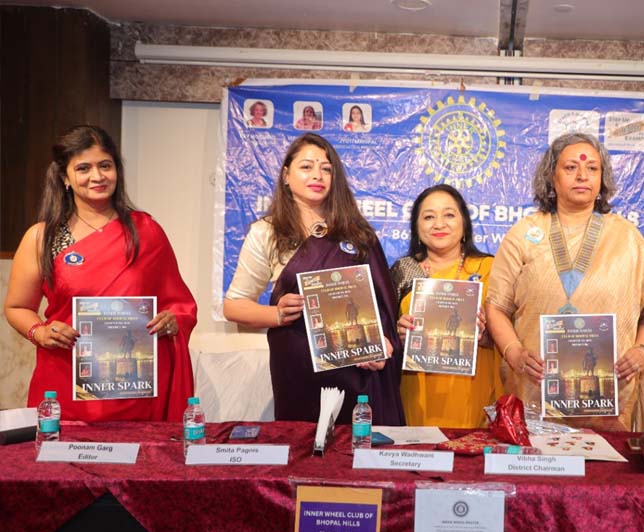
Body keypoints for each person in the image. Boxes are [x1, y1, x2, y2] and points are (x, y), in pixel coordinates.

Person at [3, 125, 197, 422]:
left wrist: (172, 321)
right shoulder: (43, 238)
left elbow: (179, 304)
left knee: (137, 451)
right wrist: (39, 332)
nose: (97, 176)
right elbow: (17, 307)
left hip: (135, 388)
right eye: (83, 168)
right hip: (66, 379)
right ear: (65, 177)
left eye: (105, 165)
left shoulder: (146, 232)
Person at [485, 132, 644, 432]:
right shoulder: (523, 233)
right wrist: (515, 353)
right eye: (571, 167)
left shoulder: (626, 236)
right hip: (535, 390)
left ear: (602, 178)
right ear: (552, 176)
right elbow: (497, 306)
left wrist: (642, 350)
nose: (582, 175)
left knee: (606, 463)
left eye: (592, 168)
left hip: (611, 397)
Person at [223, 133, 404, 425]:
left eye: (326, 168)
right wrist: (277, 314)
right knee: (301, 446)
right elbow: (233, 306)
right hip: (297, 369)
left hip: (356, 371)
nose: (317, 175)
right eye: (306, 167)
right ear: (286, 175)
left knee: (356, 447)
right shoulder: (266, 232)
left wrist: (381, 342)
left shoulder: (358, 234)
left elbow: (381, 307)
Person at [390, 184, 503, 428]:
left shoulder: (490, 269)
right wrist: (398, 336)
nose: (439, 224)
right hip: (416, 393)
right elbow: (382, 341)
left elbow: (516, 337)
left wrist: (486, 336)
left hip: (474, 393)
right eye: (429, 217)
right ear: (416, 227)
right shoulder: (403, 271)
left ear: (464, 224)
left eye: (449, 215)